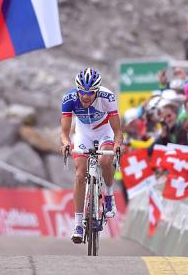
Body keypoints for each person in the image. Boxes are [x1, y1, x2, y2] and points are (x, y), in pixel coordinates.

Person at [59, 68, 122, 244]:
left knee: (105, 160)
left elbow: (117, 131)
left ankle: (109, 196)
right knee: (79, 174)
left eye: (91, 92)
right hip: (83, 134)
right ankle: (78, 224)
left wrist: (117, 145)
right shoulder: (69, 99)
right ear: (77, 89)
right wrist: (65, 143)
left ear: (97, 90)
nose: (86, 96)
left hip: (104, 132)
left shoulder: (107, 97)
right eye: (82, 92)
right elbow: (64, 133)